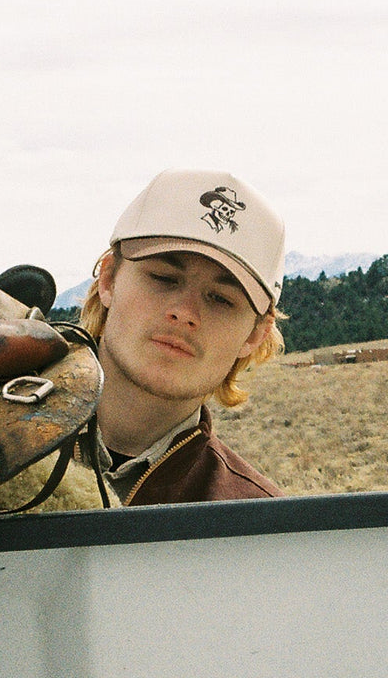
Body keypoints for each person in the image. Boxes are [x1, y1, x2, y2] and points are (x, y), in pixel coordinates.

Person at [77, 169, 286, 504]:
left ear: (256, 334)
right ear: (109, 280)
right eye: (163, 278)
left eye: (220, 299)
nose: (185, 312)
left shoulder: (256, 528)